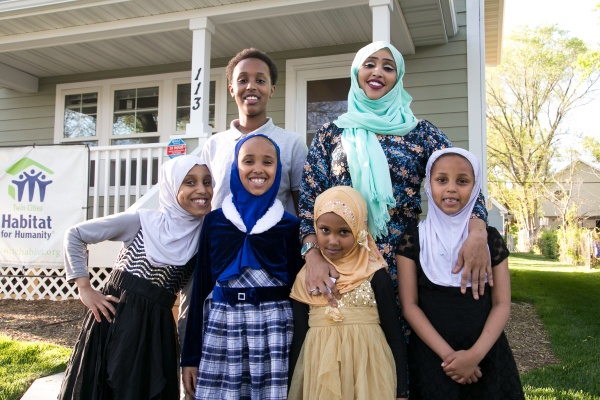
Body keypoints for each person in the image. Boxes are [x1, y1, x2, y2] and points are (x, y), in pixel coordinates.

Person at [298, 41, 491, 309]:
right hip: (341, 255)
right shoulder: (330, 134)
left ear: (397, 78)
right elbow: (310, 200)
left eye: (388, 67)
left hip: (403, 259)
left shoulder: (421, 133)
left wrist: (478, 234)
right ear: (356, 73)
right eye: (369, 64)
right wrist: (312, 255)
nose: (377, 72)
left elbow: (465, 181)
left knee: (400, 340)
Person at [178, 48, 308, 372]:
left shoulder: (290, 144)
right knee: (198, 334)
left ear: (272, 88)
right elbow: (197, 199)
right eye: (243, 80)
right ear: (231, 88)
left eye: (260, 80)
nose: (252, 86)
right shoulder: (214, 144)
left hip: (271, 265)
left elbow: (303, 206)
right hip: (216, 259)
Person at [58, 155, 213, 400]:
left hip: (155, 334)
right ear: (172, 186)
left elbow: (188, 308)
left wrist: (187, 360)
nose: (202, 190)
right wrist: (84, 288)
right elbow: (75, 234)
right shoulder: (141, 222)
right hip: (113, 321)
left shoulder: (200, 241)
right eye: (190, 182)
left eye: (207, 182)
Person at [395, 148, 524, 399]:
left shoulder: (490, 240)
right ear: (428, 185)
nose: (451, 188)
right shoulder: (413, 240)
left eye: (462, 181)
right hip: (433, 360)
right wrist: (450, 358)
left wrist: (474, 355)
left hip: (487, 357)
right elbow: (410, 306)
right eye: (441, 180)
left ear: (475, 189)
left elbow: (502, 304)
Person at [181, 134, 301, 400]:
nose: (258, 169)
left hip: (275, 335)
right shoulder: (215, 222)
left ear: (278, 169)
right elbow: (200, 289)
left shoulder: (290, 226)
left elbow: (298, 294)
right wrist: (190, 357)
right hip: (223, 330)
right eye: (248, 161)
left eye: (268, 162)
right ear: (235, 167)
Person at [288, 186, 408, 400]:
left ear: (360, 229)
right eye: (324, 230)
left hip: (370, 375)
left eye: (344, 232)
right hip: (319, 377)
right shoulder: (306, 278)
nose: (333, 241)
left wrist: (402, 391)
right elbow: (299, 338)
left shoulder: (375, 275)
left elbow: (394, 335)